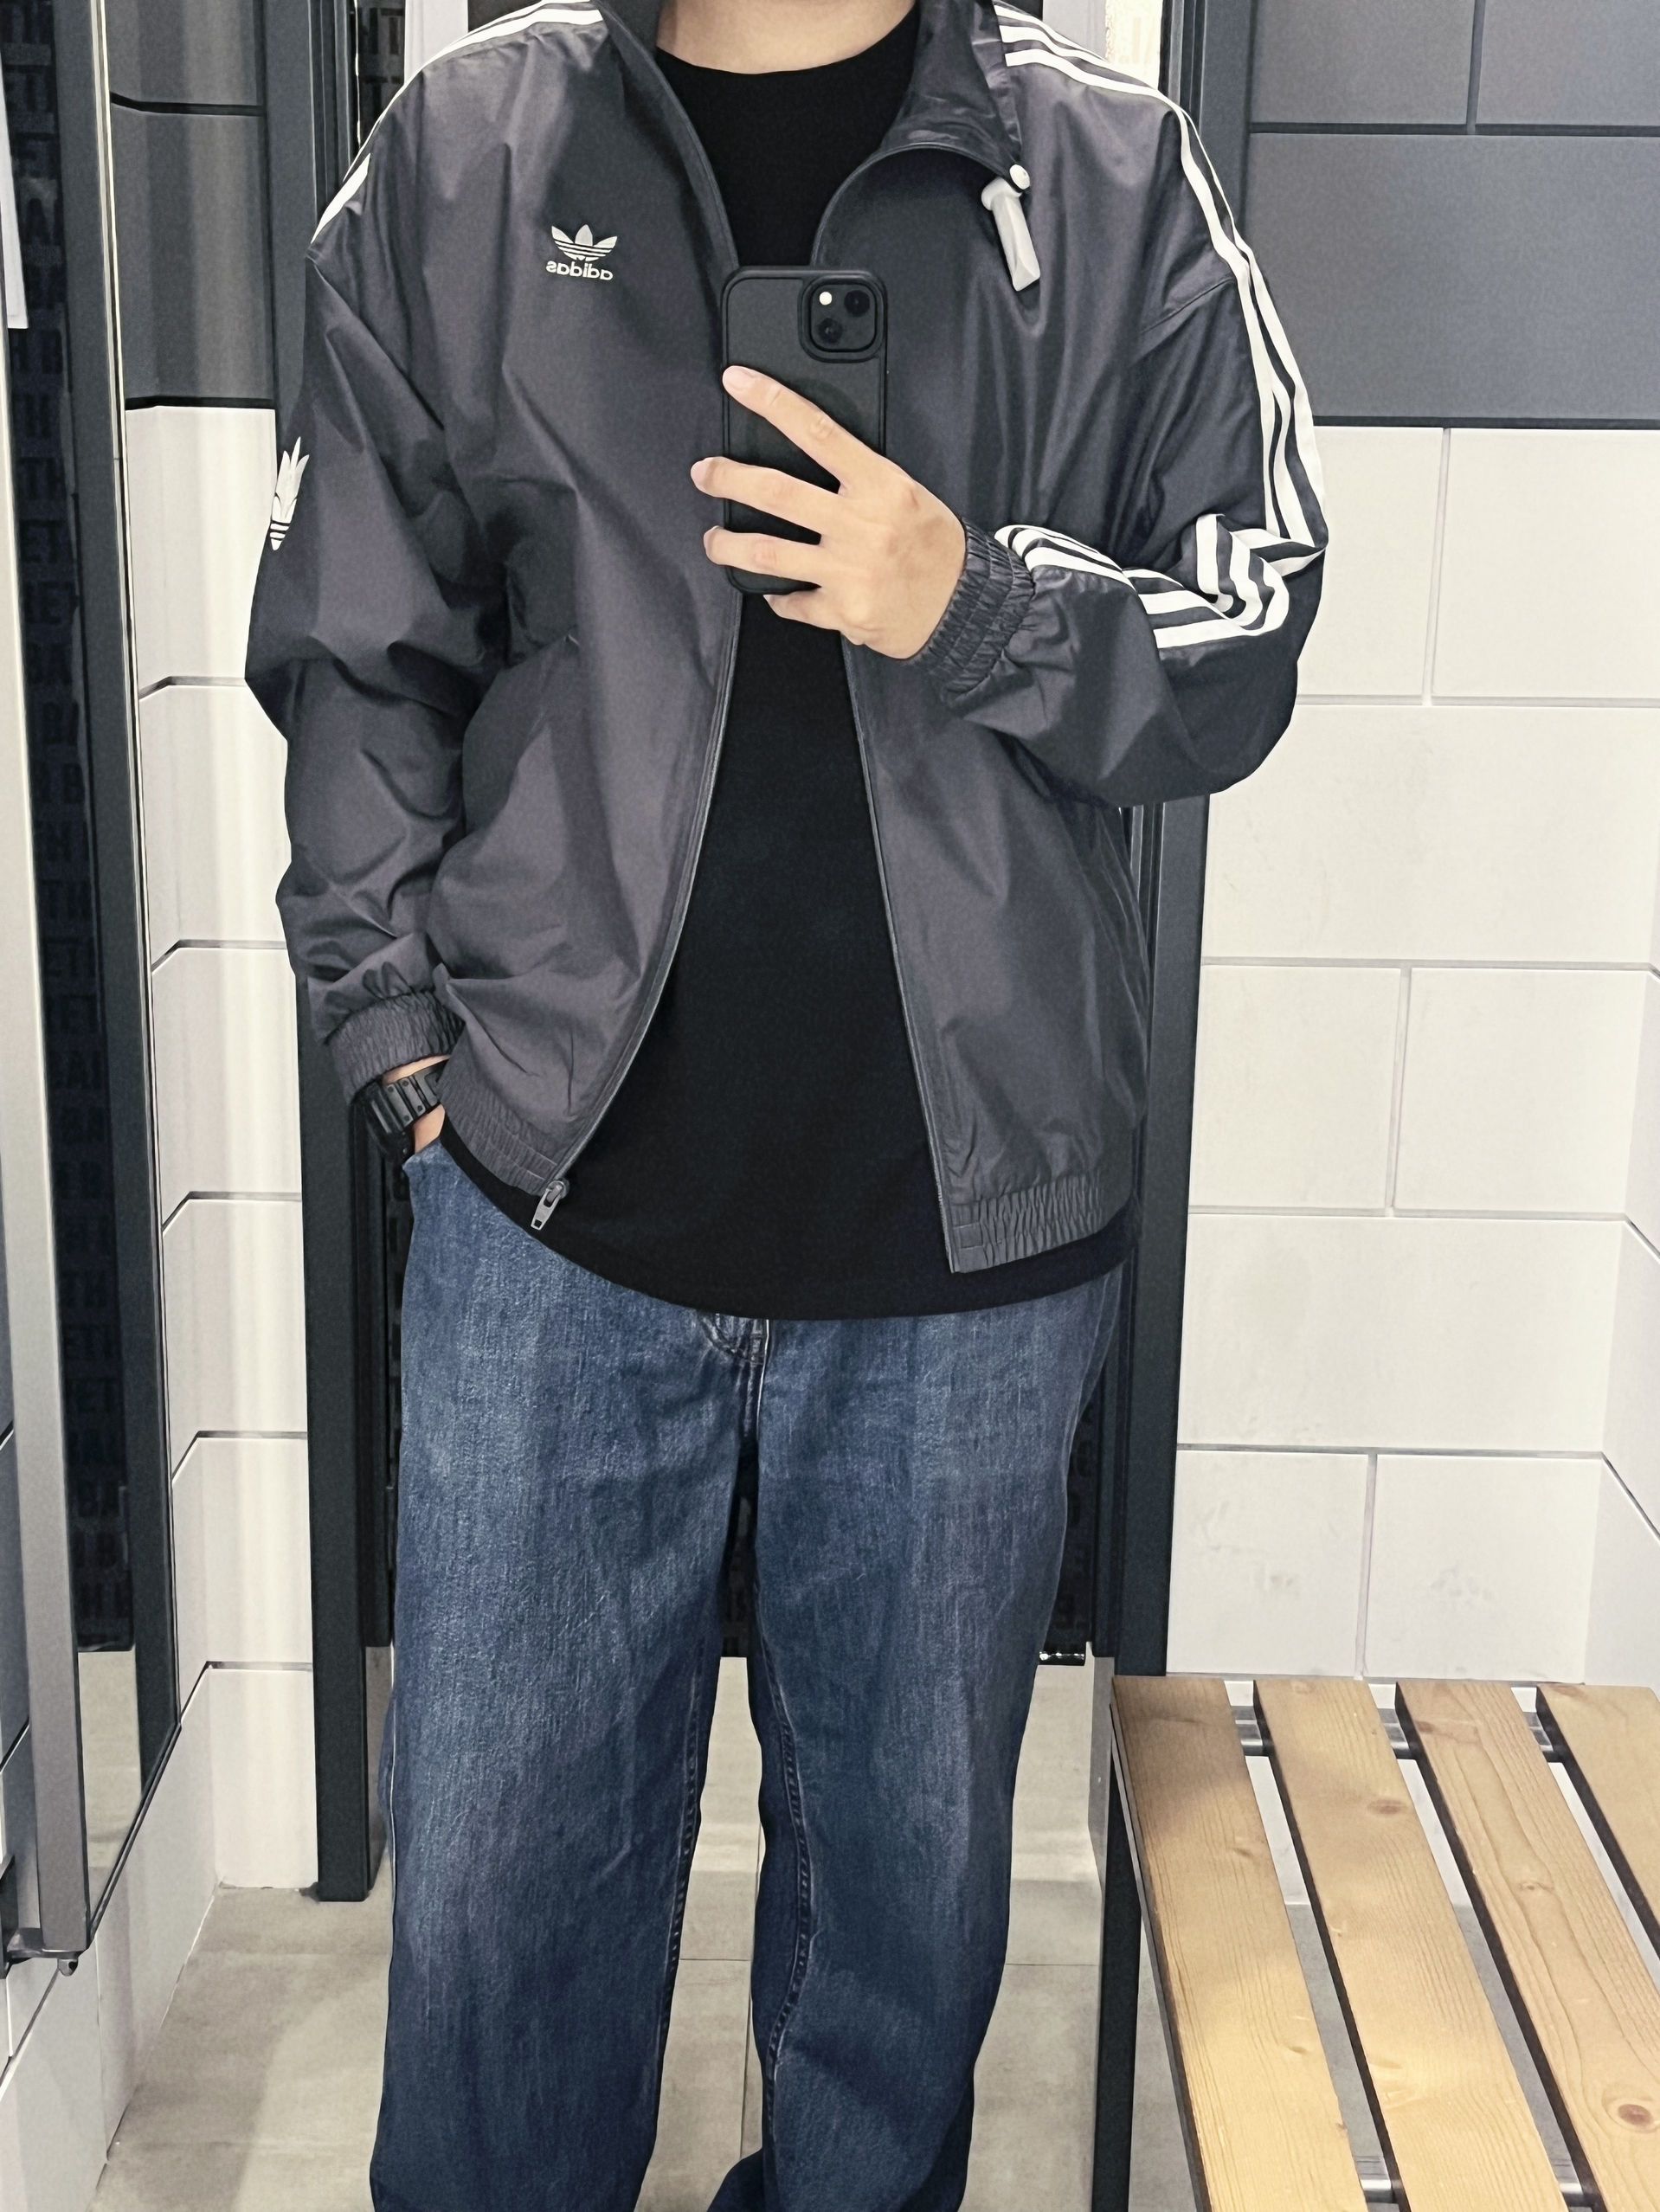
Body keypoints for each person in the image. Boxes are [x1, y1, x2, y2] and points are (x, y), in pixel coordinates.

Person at [246, 0, 1325, 2196]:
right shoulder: (468, 149)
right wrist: (395, 1042)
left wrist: (972, 603)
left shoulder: (1106, 175)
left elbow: (1249, 626)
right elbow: (359, 642)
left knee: (891, 1950)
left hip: (963, 1241)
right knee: (498, 1928)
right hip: (550, 1213)